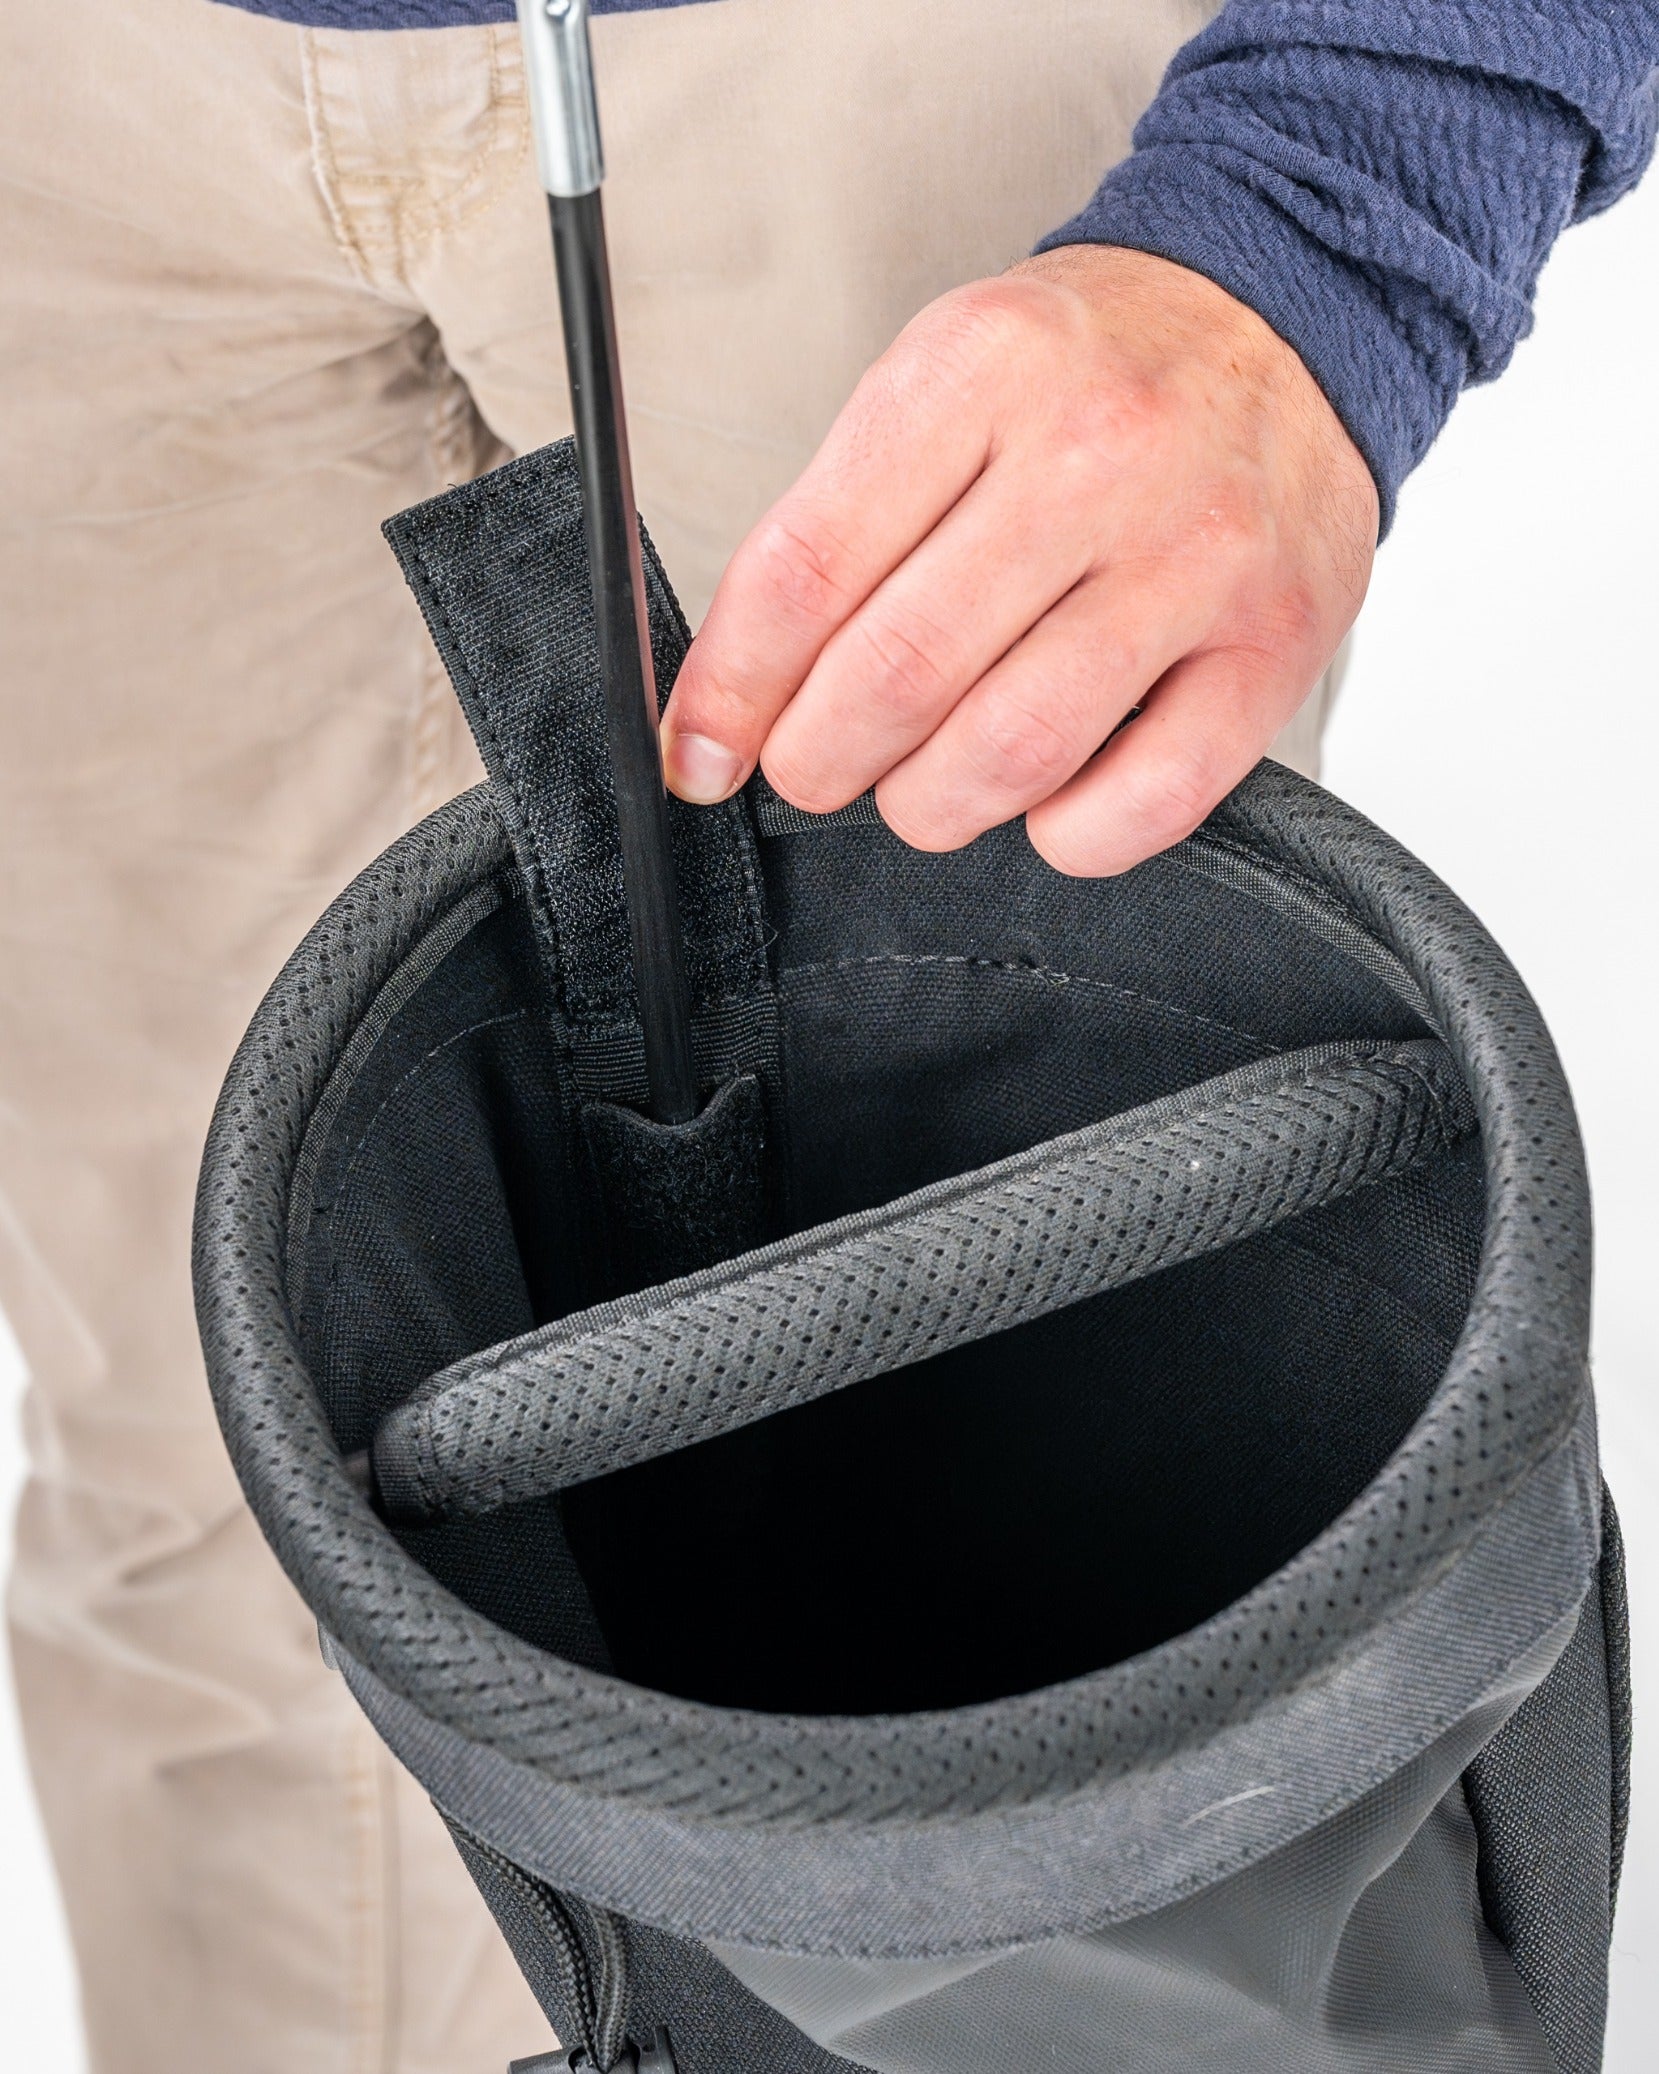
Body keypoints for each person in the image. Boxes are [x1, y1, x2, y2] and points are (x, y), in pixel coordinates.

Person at [1, 0, 1654, 2068]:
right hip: (62, 122)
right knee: (195, 1506)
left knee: (1153, 1716)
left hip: (881, 69)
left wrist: (1348, 188)